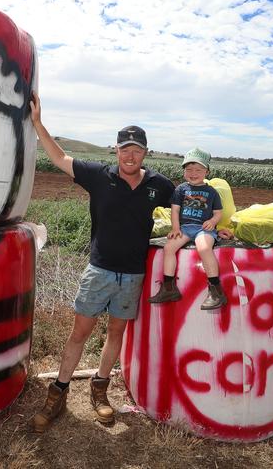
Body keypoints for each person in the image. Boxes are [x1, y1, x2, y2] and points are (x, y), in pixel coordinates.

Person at [29, 93, 175, 433]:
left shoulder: (160, 186)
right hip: (100, 270)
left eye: (137, 149)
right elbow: (60, 157)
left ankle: (100, 389)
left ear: (145, 153)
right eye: (125, 148)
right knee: (80, 332)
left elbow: (191, 202)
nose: (130, 154)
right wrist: (38, 123)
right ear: (117, 150)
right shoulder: (98, 175)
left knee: (116, 332)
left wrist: (218, 224)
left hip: (133, 274)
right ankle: (58, 393)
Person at [147, 148, 228, 310]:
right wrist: (176, 228)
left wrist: (212, 221)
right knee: (169, 248)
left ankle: (216, 290)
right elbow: (175, 210)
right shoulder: (181, 189)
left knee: (204, 248)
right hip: (185, 228)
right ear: (184, 171)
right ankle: (169, 288)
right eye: (189, 169)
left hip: (203, 229)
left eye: (198, 170)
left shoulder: (211, 192)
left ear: (207, 171)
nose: (193, 173)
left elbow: (218, 213)